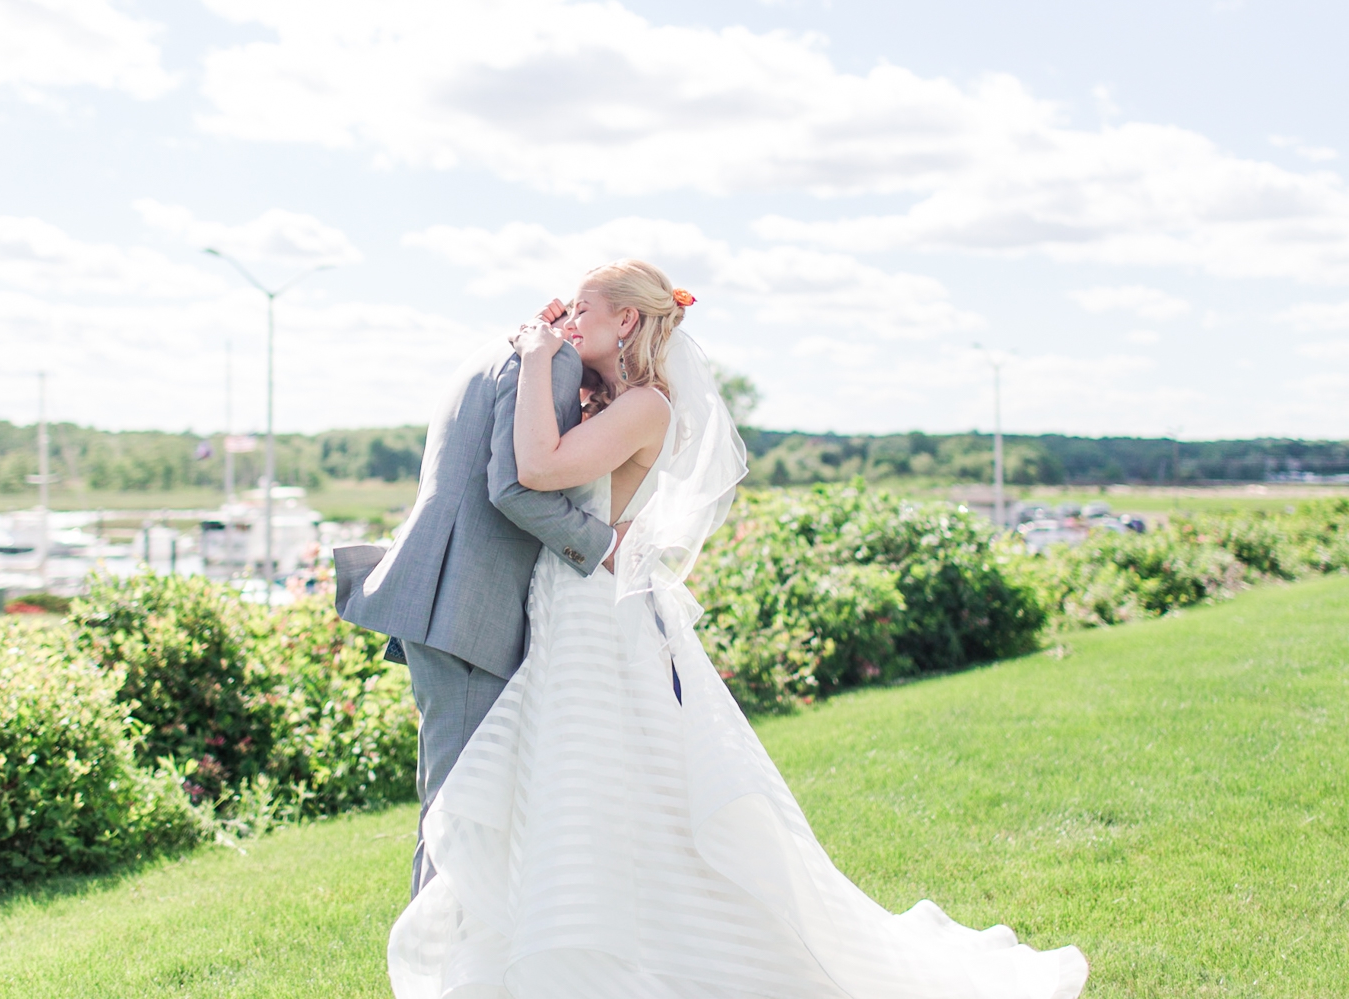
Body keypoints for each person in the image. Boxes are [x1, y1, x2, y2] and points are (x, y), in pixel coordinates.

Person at [386, 259, 1090, 999]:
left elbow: (533, 467)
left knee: (596, 793)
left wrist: (533, 356)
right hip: (562, 610)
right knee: (569, 796)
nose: (567, 314)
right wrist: (554, 367)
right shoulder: (606, 398)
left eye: (585, 306)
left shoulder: (648, 407)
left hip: (591, 616)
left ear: (626, 320)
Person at [334, 318, 626, 898]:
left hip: (449, 597)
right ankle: (434, 970)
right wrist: (605, 546)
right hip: (468, 607)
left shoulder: (505, 349)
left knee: (459, 800)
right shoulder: (553, 364)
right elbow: (516, 489)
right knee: (458, 810)